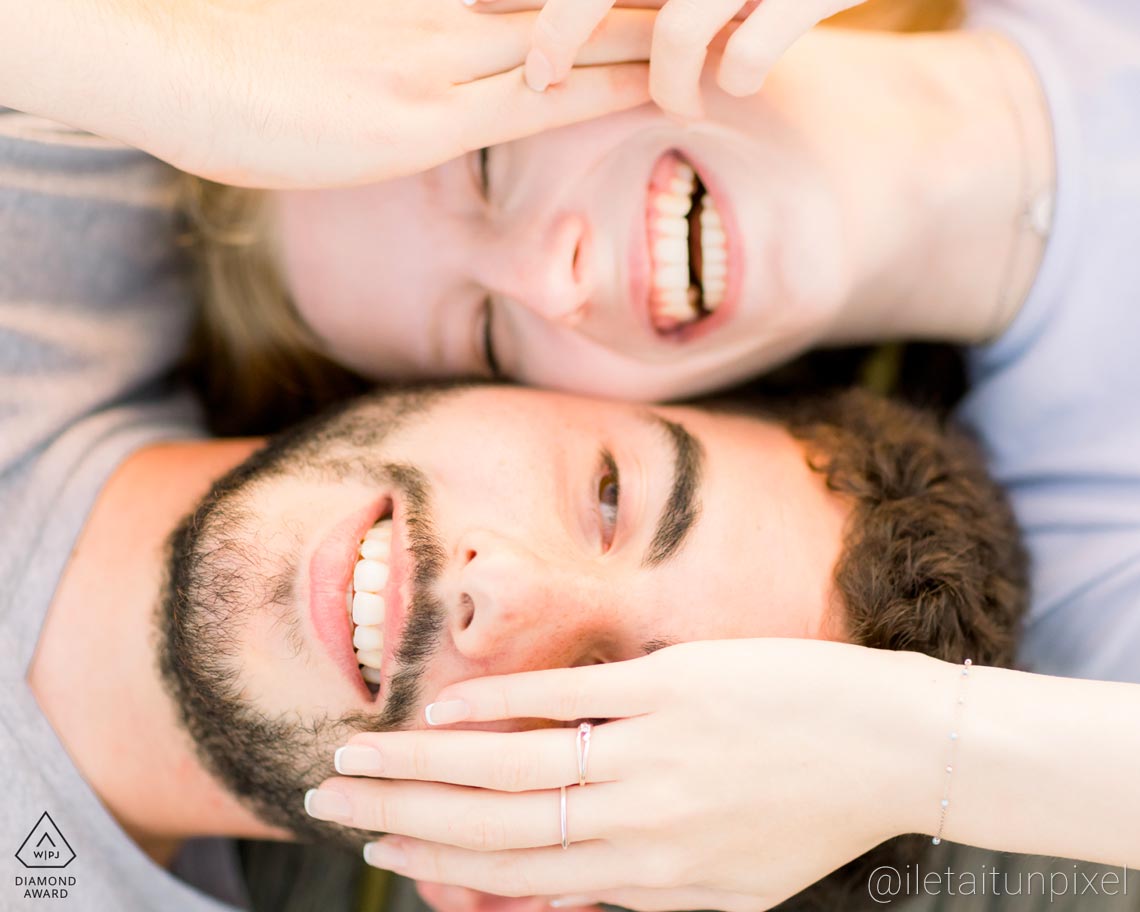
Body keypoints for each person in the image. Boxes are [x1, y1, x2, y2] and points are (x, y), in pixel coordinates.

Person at [0, 110, 1033, 909]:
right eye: (612, 494)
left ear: (506, 889)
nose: (499, 585)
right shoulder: (77, 139)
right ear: (540, 374)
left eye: (603, 701)